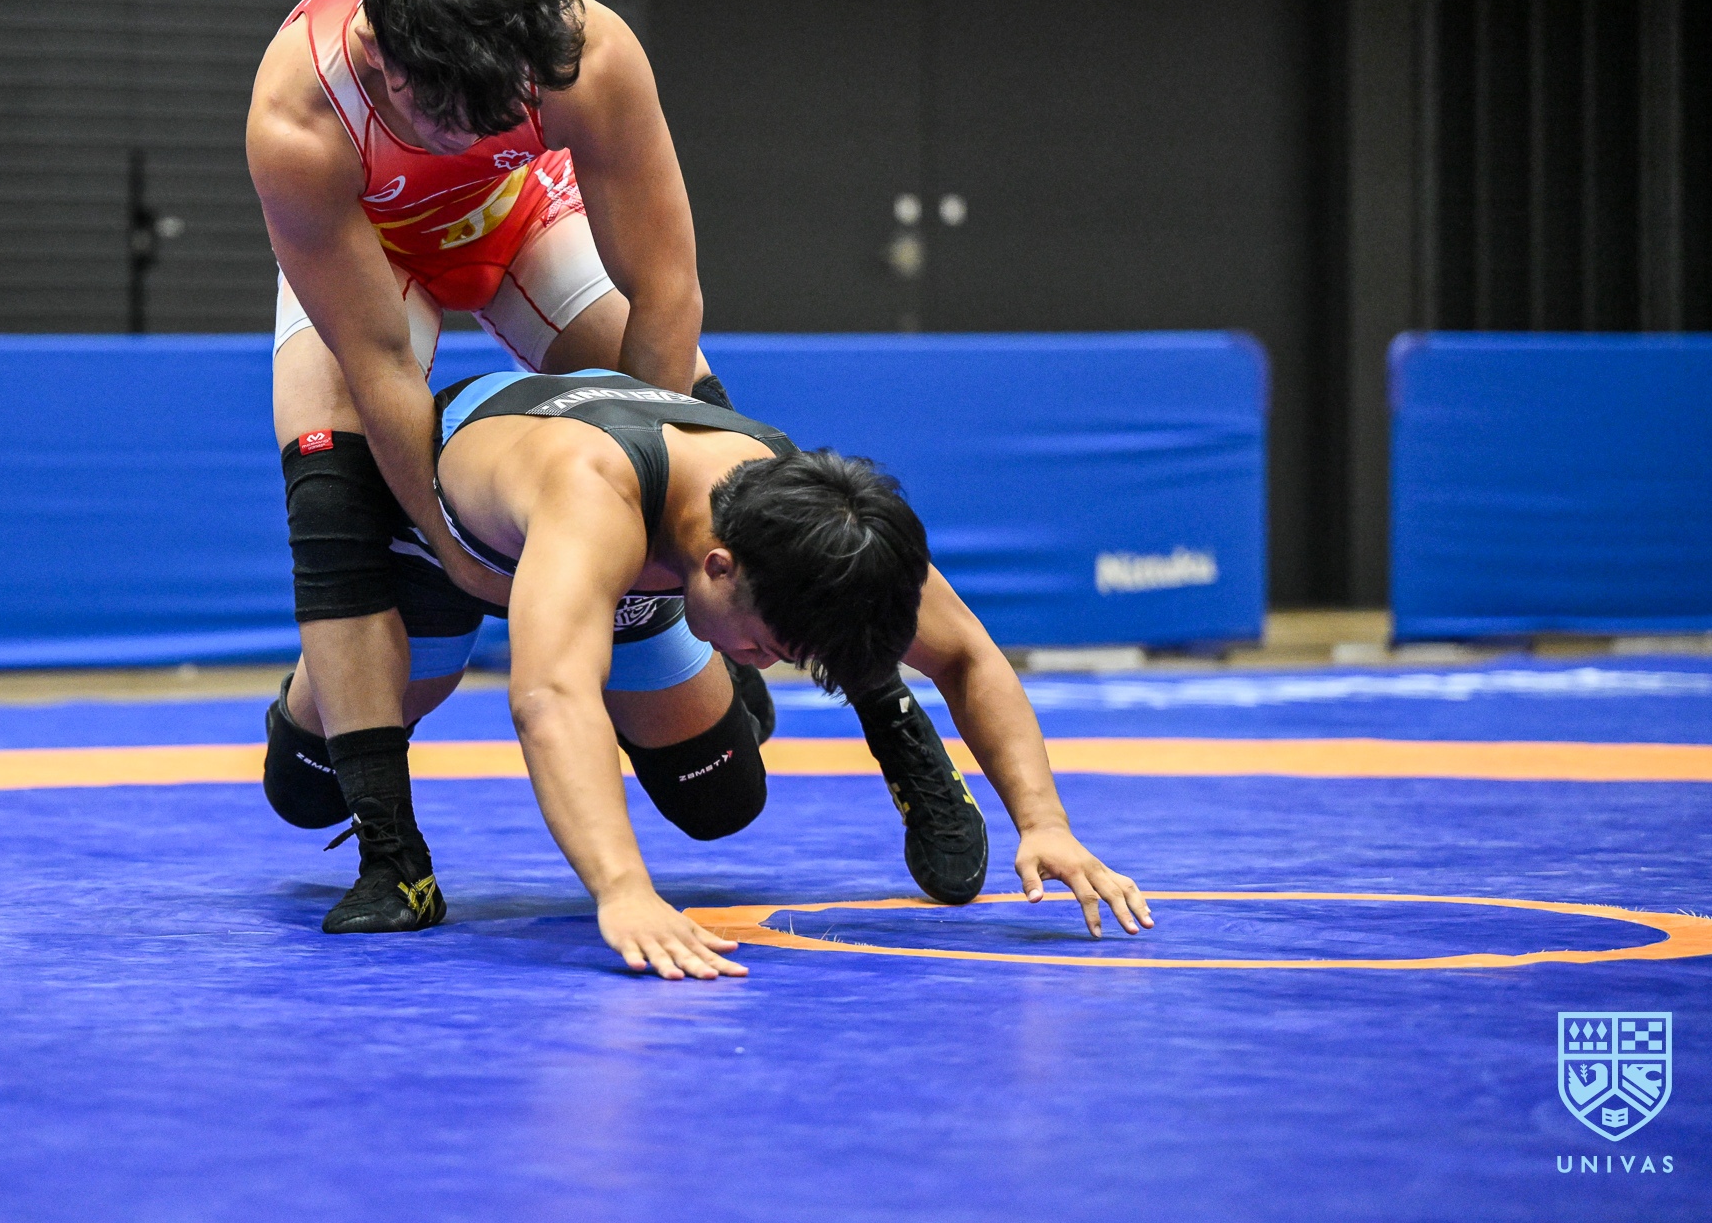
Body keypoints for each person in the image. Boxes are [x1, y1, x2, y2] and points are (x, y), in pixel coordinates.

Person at [265, 368, 1152, 979]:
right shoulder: (593, 495)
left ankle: (766, 690)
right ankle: (315, 705)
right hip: (445, 555)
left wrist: (1045, 821)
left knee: (721, 803)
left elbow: (965, 653)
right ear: (720, 568)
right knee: (305, 790)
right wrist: (623, 890)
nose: (768, 656)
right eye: (765, 647)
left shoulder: (809, 516)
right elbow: (549, 697)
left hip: (638, 581)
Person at [245, 0, 754, 928]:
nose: (473, 135)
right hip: (373, 250)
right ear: (379, 57)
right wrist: (452, 546)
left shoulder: (583, 50)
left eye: (497, 114)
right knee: (330, 484)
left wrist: (647, 512)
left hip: (515, 221)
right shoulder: (301, 115)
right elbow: (380, 359)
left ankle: (867, 710)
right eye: (449, 119)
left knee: (701, 419)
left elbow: (667, 290)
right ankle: (392, 852)